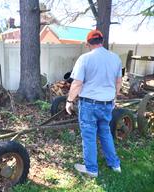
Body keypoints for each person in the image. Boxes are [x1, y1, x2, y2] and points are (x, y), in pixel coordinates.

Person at [65, 29, 121, 177]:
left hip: (89, 104)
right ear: (101, 41)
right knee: (105, 132)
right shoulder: (115, 58)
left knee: (89, 135)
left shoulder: (84, 58)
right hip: (107, 103)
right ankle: (115, 165)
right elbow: (118, 81)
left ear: (88, 43)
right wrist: (114, 98)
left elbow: (77, 83)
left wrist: (69, 101)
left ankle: (91, 169)